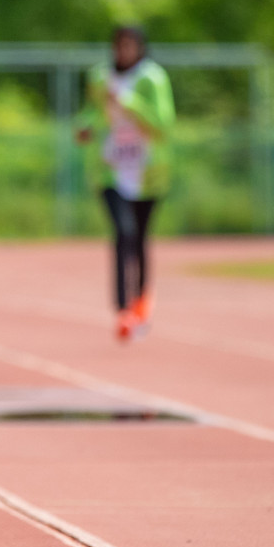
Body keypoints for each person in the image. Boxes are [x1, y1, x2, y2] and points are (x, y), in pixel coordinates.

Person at [76, 25, 175, 342]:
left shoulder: (153, 79)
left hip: (147, 172)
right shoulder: (99, 77)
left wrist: (129, 101)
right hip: (111, 170)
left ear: (141, 48)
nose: (125, 51)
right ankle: (122, 309)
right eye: (120, 45)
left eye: (131, 46)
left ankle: (142, 301)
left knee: (140, 239)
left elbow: (163, 123)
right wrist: (85, 127)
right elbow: (92, 112)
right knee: (123, 233)